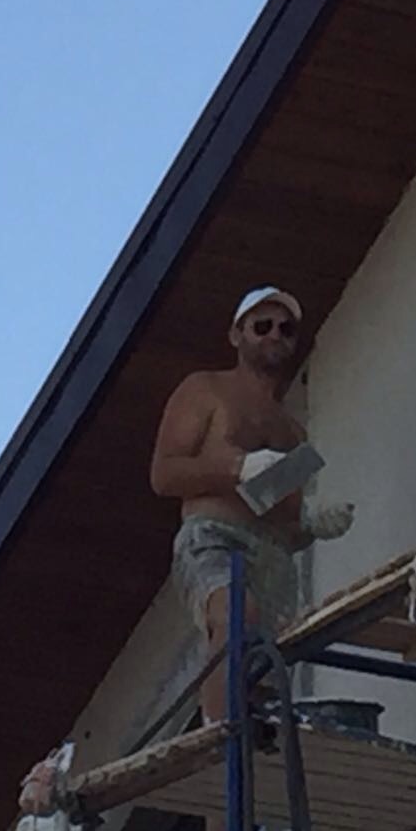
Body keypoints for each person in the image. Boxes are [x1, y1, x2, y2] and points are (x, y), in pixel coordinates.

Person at [150, 285, 353, 724]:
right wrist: (237, 466)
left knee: (263, 663)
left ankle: (251, 739)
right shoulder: (205, 389)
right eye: (262, 325)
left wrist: (313, 520)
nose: (274, 334)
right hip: (214, 536)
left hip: (274, 558)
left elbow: (285, 521)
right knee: (235, 617)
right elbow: (164, 475)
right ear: (236, 334)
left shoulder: (294, 434)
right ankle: (219, 733)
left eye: (286, 329)